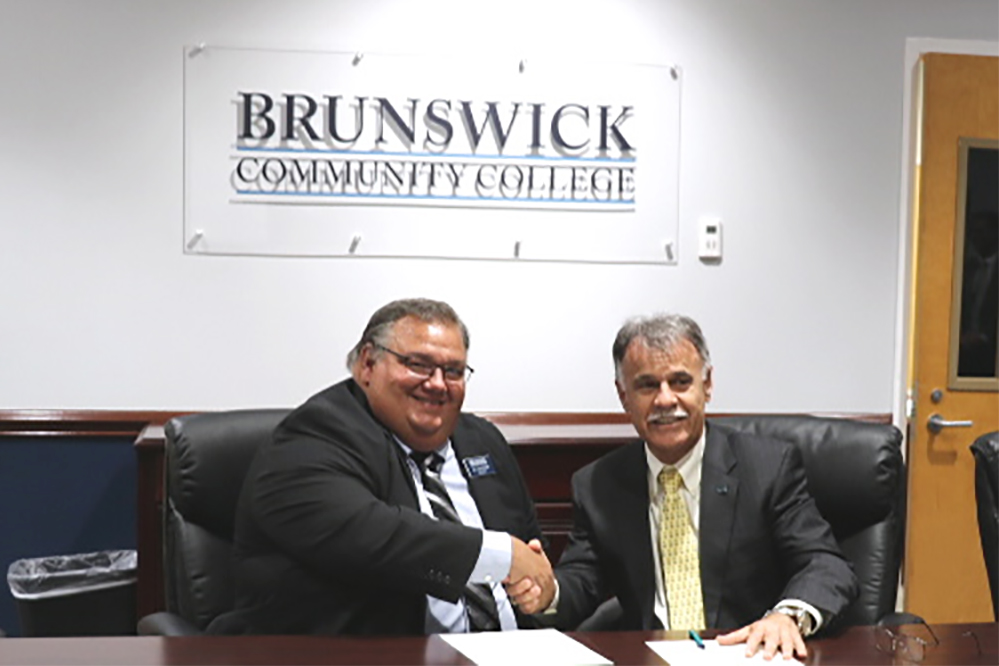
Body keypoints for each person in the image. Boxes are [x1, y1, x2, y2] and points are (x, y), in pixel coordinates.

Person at [510, 313, 858, 660]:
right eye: (647, 385)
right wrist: (547, 591)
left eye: (680, 382)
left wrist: (787, 617)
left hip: (748, 654)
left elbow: (825, 564)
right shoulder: (598, 484)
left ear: (707, 385)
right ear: (623, 396)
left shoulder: (767, 467)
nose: (665, 400)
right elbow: (583, 580)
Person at [210, 298, 553, 635]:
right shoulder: (311, 438)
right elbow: (377, 537)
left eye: (453, 371)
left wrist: (541, 590)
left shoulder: (483, 440)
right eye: (418, 364)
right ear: (367, 365)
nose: (437, 383)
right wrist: (499, 555)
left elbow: (533, 555)